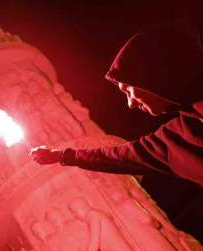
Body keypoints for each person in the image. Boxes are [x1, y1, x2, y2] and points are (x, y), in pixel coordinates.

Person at [30, 21, 203, 186]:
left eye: (128, 91)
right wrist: (63, 156)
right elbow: (119, 156)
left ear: (151, 75)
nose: (130, 104)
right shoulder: (174, 140)